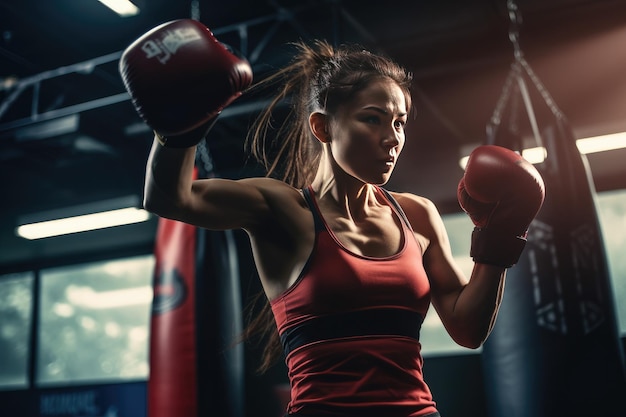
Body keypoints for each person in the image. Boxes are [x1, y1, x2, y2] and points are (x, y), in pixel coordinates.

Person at [120, 19, 545, 417]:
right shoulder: (283, 210)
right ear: (323, 127)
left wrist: (499, 235)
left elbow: (468, 329)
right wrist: (178, 131)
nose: (391, 138)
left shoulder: (417, 215)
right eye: (373, 119)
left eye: (399, 122)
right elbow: (170, 199)